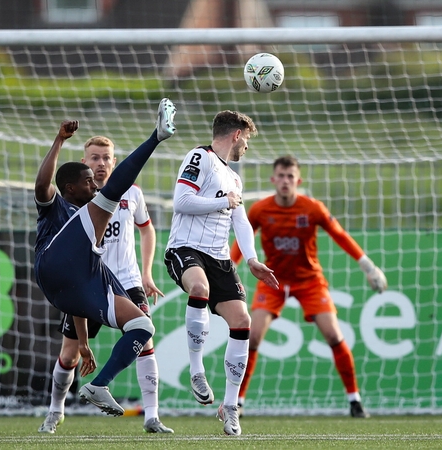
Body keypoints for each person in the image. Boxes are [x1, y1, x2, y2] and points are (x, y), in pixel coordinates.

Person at [34, 98, 177, 421]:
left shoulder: (105, 209)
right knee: (111, 194)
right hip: (52, 264)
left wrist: (85, 340)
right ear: (70, 187)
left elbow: (78, 292)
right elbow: (44, 184)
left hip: (84, 281)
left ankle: (100, 385)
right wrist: (59, 140)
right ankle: (156, 136)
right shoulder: (57, 207)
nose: (93, 182)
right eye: (87, 179)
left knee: (142, 327)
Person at [229, 155, 387, 419]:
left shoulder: (312, 208)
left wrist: (368, 266)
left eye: (290, 176)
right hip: (273, 280)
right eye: (280, 176)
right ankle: (237, 401)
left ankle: (354, 401)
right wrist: (227, 272)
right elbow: (241, 243)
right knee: (252, 336)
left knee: (334, 336)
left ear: (298, 181)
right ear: (273, 179)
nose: (285, 181)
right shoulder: (259, 210)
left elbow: (340, 235)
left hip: (309, 281)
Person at [163, 110, 278, 436]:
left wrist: (253, 259)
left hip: (220, 258)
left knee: (243, 321)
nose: (247, 149)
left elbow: (240, 221)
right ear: (237, 135)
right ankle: (196, 370)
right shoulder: (199, 157)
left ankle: (229, 407)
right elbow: (181, 202)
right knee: (198, 287)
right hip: (185, 248)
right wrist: (221, 202)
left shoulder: (234, 178)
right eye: (247, 141)